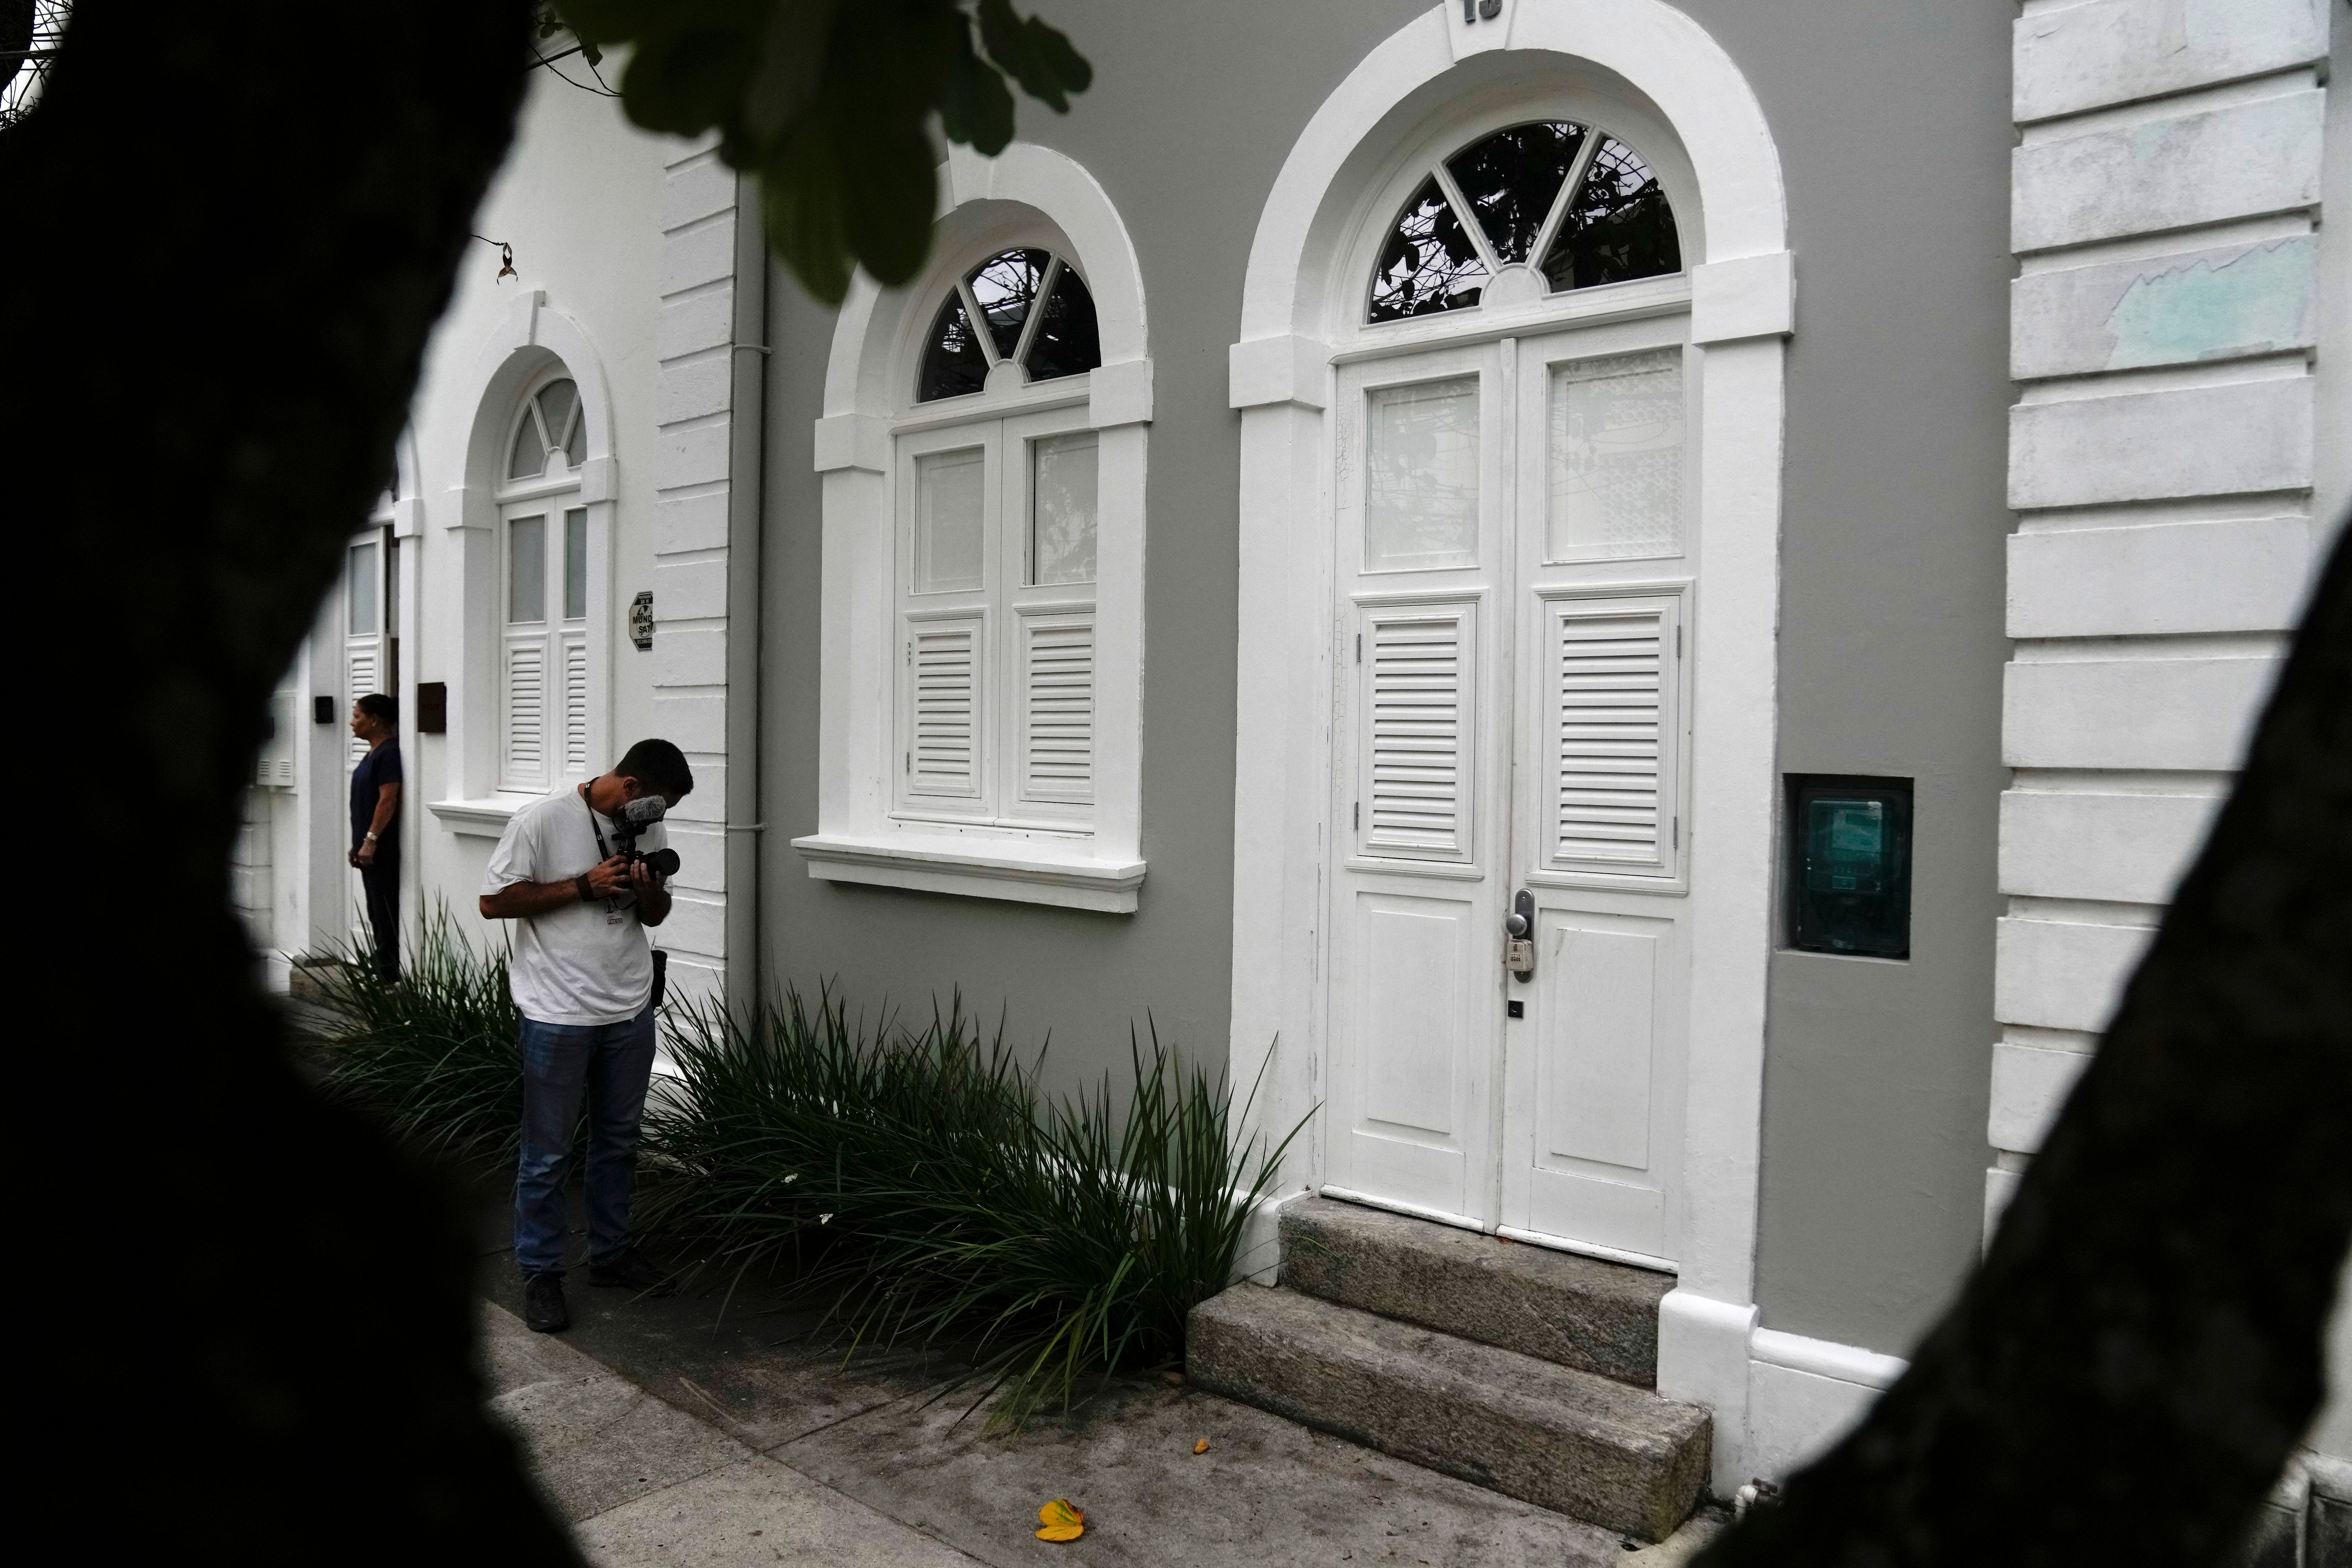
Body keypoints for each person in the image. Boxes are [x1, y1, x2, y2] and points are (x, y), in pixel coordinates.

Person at [478, 738, 694, 1333]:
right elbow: (494, 902)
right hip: (555, 1012)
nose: (662, 818)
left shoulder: (645, 827)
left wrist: (649, 894)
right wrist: (583, 885)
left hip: (628, 1008)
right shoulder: (541, 820)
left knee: (619, 1143)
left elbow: (652, 917)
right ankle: (542, 1272)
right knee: (547, 1153)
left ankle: (611, 1255)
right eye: (659, 803)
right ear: (629, 789)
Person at [346, 694, 402, 983]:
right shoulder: (372, 754)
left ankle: (389, 971)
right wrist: (358, 844)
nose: (353, 722)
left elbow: (388, 799)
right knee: (375, 911)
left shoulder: (389, 753)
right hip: (368, 850)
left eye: (357, 716)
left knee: (385, 909)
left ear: (374, 720)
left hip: (382, 851)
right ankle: (381, 966)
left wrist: (371, 840)